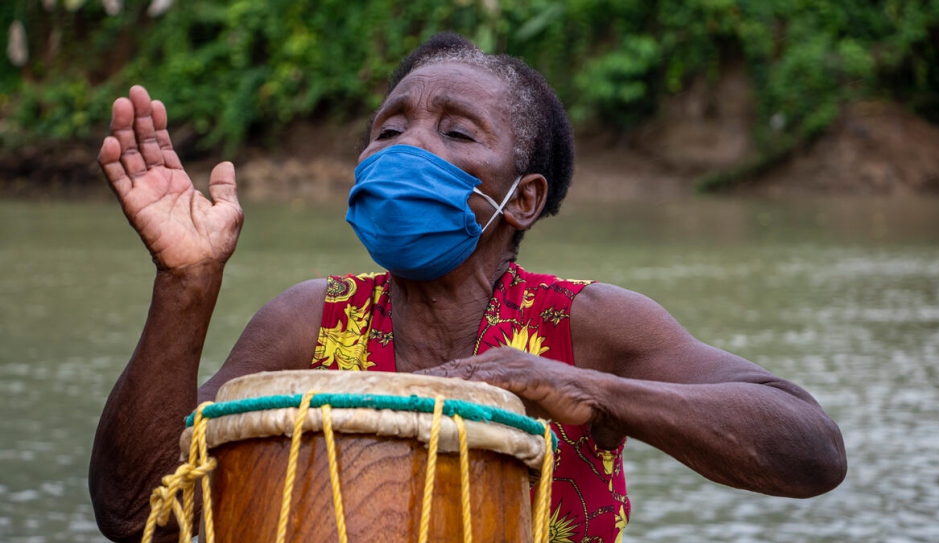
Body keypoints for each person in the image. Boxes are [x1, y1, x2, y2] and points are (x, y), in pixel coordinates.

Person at [89, 33, 846, 543]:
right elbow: (137, 515)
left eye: (456, 133)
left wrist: (591, 389)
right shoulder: (309, 320)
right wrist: (185, 285)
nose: (409, 146)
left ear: (521, 198)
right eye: (389, 130)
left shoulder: (588, 323)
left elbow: (811, 450)